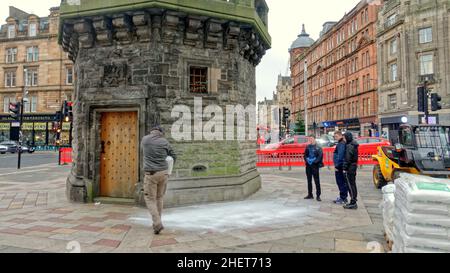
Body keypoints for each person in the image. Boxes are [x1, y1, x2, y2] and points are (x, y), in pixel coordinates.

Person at [141, 125, 176, 234]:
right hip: (164, 173)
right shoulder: (164, 141)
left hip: (151, 174)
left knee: (150, 199)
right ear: (161, 132)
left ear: (152, 131)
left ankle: (157, 223)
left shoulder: (145, 139)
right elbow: (173, 155)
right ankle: (158, 222)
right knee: (159, 197)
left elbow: (144, 150)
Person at [304, 135, 324, 202]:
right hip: (308, 166)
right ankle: (310, 194)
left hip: (315, 166)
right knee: (309, 181)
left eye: (312, 138)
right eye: (309, 139)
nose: (311, 140)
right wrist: (307, 160)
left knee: (317, 181)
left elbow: (320, 156)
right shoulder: (307, 147)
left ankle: (318, 195)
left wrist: (314, 161)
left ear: (315, 139)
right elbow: (305, 155)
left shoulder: (318, 147)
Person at [342, 132, 359, 209]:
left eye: (344, 138)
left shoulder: (349, 146)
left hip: (350, 167)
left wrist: (344, 168)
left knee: (350, 185)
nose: (344, 140)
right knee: (352, 184)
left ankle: (353, 201)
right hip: (353, 166)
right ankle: (353, 200)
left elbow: (348, 158)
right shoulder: (353, 144)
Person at [333, 131, 348, 204]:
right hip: (341, 166)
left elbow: (340, 156)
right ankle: (343, 197)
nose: (335, 138)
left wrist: (337, 166)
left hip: (340, 166)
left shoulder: (341, 144)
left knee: (340, 182)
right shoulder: (341, 143)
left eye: (336, 136)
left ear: (340, 136)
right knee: (341, 182)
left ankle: (343, 198)